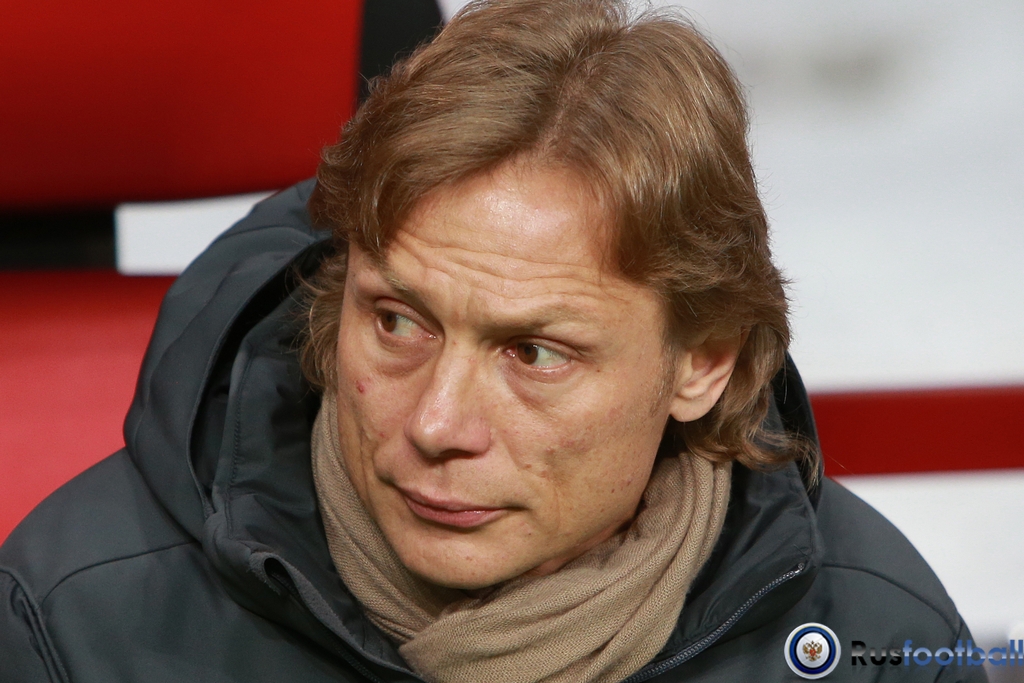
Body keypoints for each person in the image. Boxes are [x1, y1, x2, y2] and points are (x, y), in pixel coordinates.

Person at [0, 1, 984, 681]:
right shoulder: (77, 624)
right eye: (397, 322)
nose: (437, 423)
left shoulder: (873, 636)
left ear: (704, 362)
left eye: (533, 353)